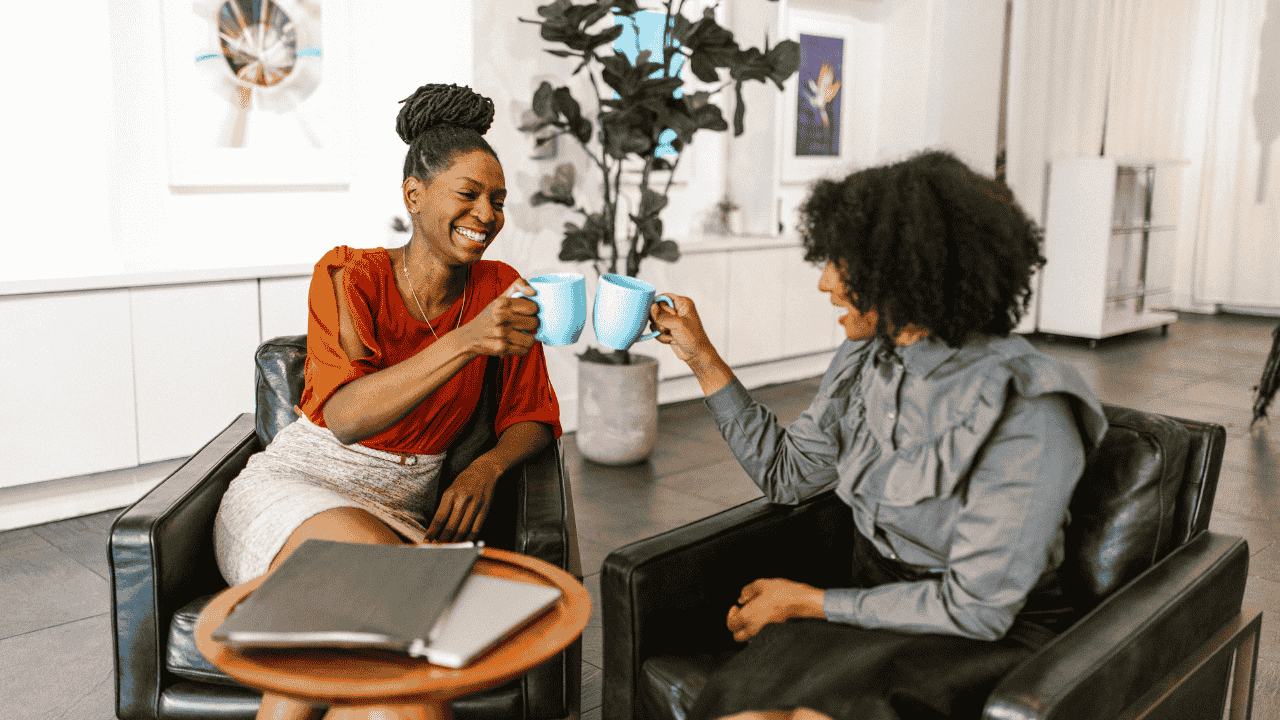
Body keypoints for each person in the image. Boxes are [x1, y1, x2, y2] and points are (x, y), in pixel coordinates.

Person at [647, 150, 1109, 720]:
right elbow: (788, 476)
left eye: (842, 262)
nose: (825, 283)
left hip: (982, 635)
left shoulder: (1029, 408)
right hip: (872, 603)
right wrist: (701, 358)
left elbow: (977, 609)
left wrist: (809, 601)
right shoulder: (868, 356)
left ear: (908, 272)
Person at [212, 83, 562, 720]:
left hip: (403, 511)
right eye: (468, 194)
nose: (487, 214)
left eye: (498, 200)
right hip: (299, 488)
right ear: (414, 195)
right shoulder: (351, 275)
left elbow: (533, 415)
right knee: (371, 611)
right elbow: (346, 418)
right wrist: (466, 341)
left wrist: (486, 468)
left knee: (392, 696)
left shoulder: (501, 288)